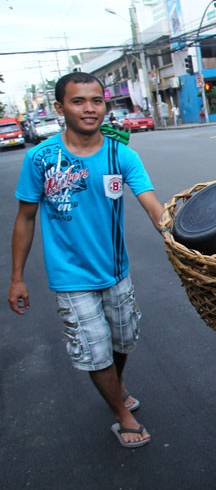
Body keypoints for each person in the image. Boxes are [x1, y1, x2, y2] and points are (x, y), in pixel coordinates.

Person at [7, 72, 164, 449]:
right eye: (78, 101)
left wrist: (181, 239)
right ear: (60, 108)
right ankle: (120, 414)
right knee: (95, 351)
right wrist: (17, 277)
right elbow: (25, 218)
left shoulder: (120, 154)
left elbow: (152, 204)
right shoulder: (41, 158)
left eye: (96, 100)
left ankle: (116, 386)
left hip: (115, 271)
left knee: (123, 340)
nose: (89, 109)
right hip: (70, 276)